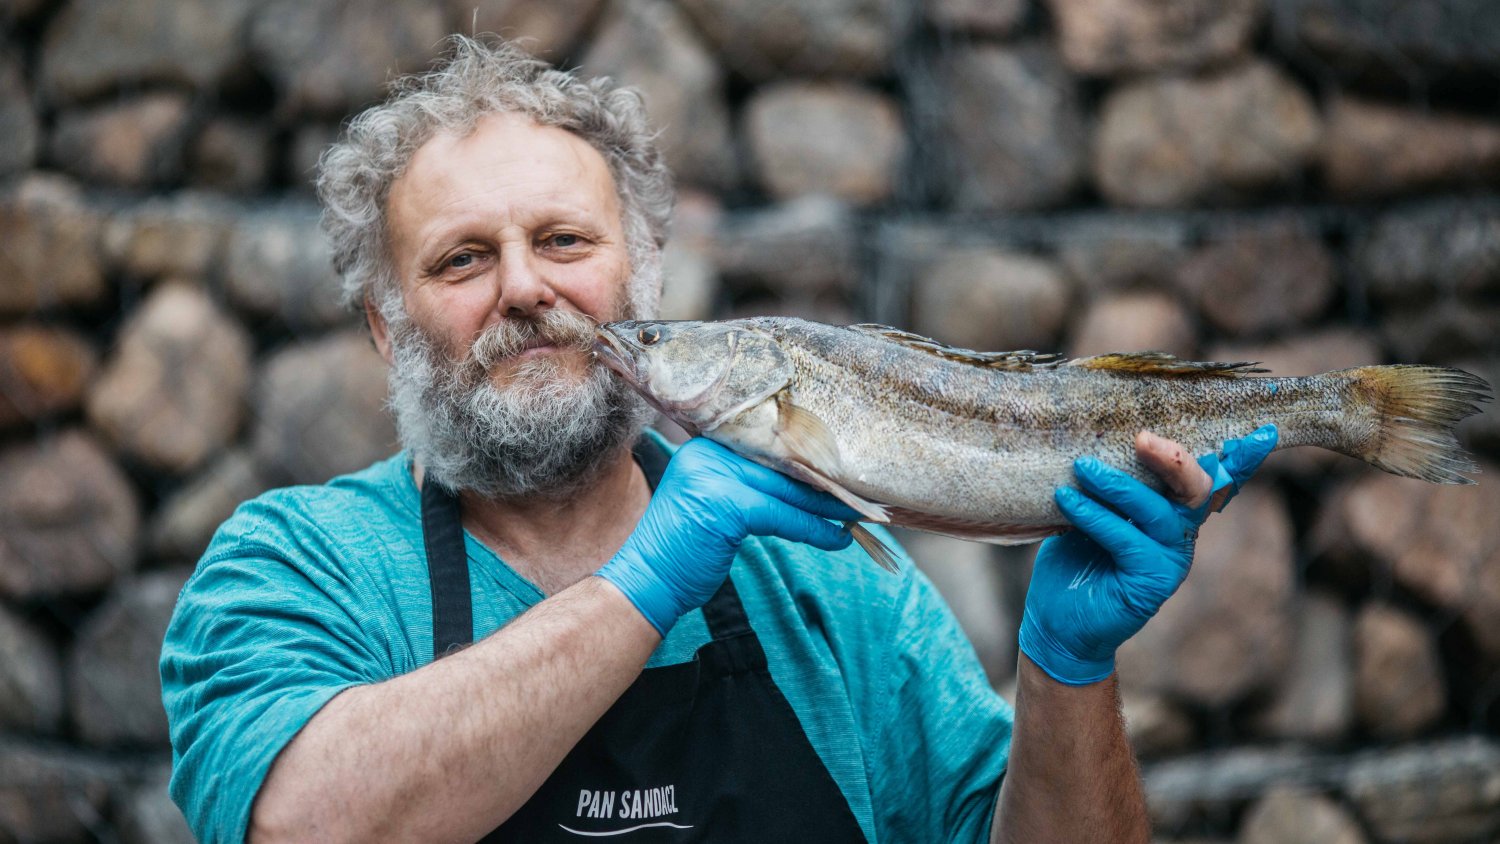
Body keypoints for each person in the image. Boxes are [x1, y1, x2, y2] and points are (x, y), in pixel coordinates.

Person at [160, 36, 1278, 844]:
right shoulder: (299, 566)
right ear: (383, 326)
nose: (524, 290)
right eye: (461, 260)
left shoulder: (836, 586)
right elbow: (303, 824)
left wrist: (1067, 671)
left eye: (562, 239)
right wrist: (646, 583)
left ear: (641, 278)